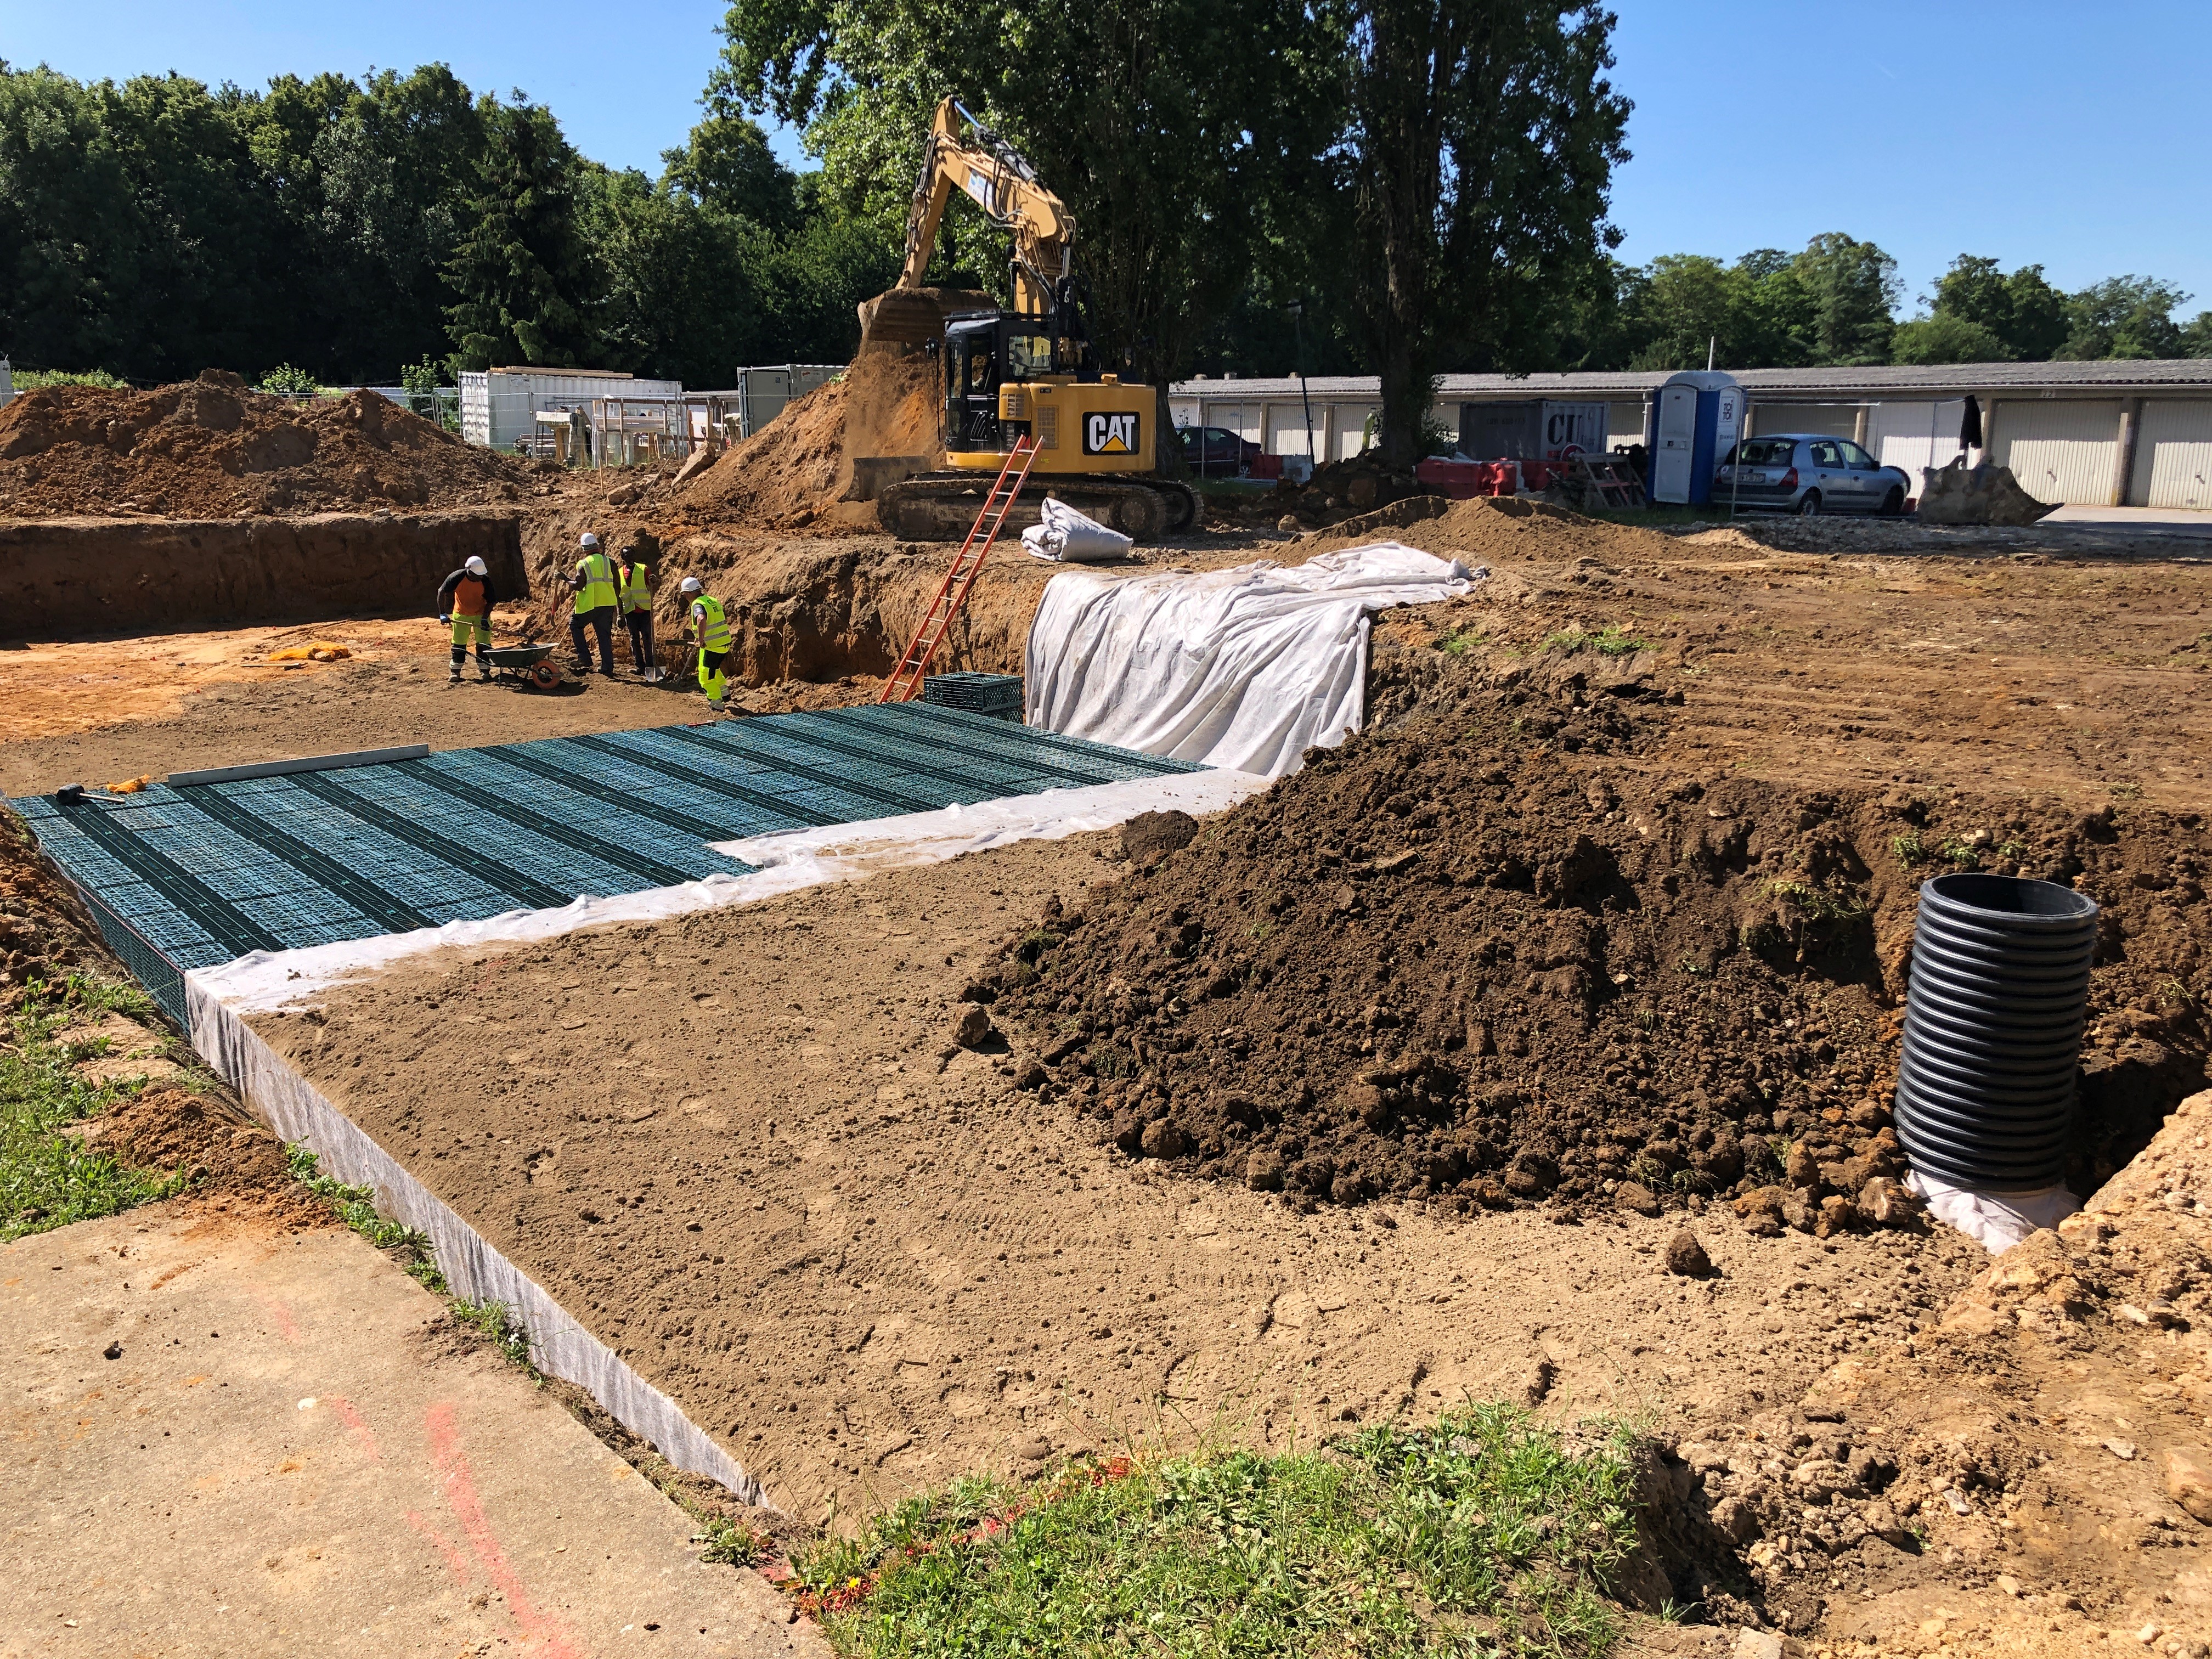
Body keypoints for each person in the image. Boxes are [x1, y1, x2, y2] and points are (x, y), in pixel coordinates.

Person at [435, 555, 498, 683]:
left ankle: (485, 671)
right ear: (469, 571)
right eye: (477, 576)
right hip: (461, 613)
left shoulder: (485, 581)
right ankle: (455, 672)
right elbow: (441, 592)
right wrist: (442, 614)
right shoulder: (457, 577)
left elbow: (491, 601)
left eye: (481, 575)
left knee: (484, 643)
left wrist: (485, 618)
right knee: (459, 643)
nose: (479, 578)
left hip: (481, 614)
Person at [678, 575, 733, 712]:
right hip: (723, 643)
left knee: (705, 676)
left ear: (690, 593)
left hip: (712, 645)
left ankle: (716, 701)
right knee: (713, 668)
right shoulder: (711, 600)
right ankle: (724, 692)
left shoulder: (698, 604)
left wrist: (700, 640)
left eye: (685, 594)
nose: (685, 597)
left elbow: (701, 619)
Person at [568, 532, 618, 676]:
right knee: (604, 636)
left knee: (575, 625)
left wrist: (565, 579)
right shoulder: (610, 562)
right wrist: (618, 608)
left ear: (584, 549)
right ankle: (607, 668)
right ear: (597, 546)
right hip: (607, 604)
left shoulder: (584, 564)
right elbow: (617, 585)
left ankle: (584, 658)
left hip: (590, 605)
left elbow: (578, 585)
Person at [617, 543, 657, 677]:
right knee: (634, 639)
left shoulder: (643, 569)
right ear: (623, 557)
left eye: (631, 554)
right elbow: (619, 594)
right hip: (630, 610)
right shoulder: (620, 572)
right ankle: (639, 666)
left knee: (647, 638)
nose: (629, 557)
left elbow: (652, 583)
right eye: (626, 555)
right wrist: (620, 615)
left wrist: (654, 580)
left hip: (644, 610)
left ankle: (650, 666)